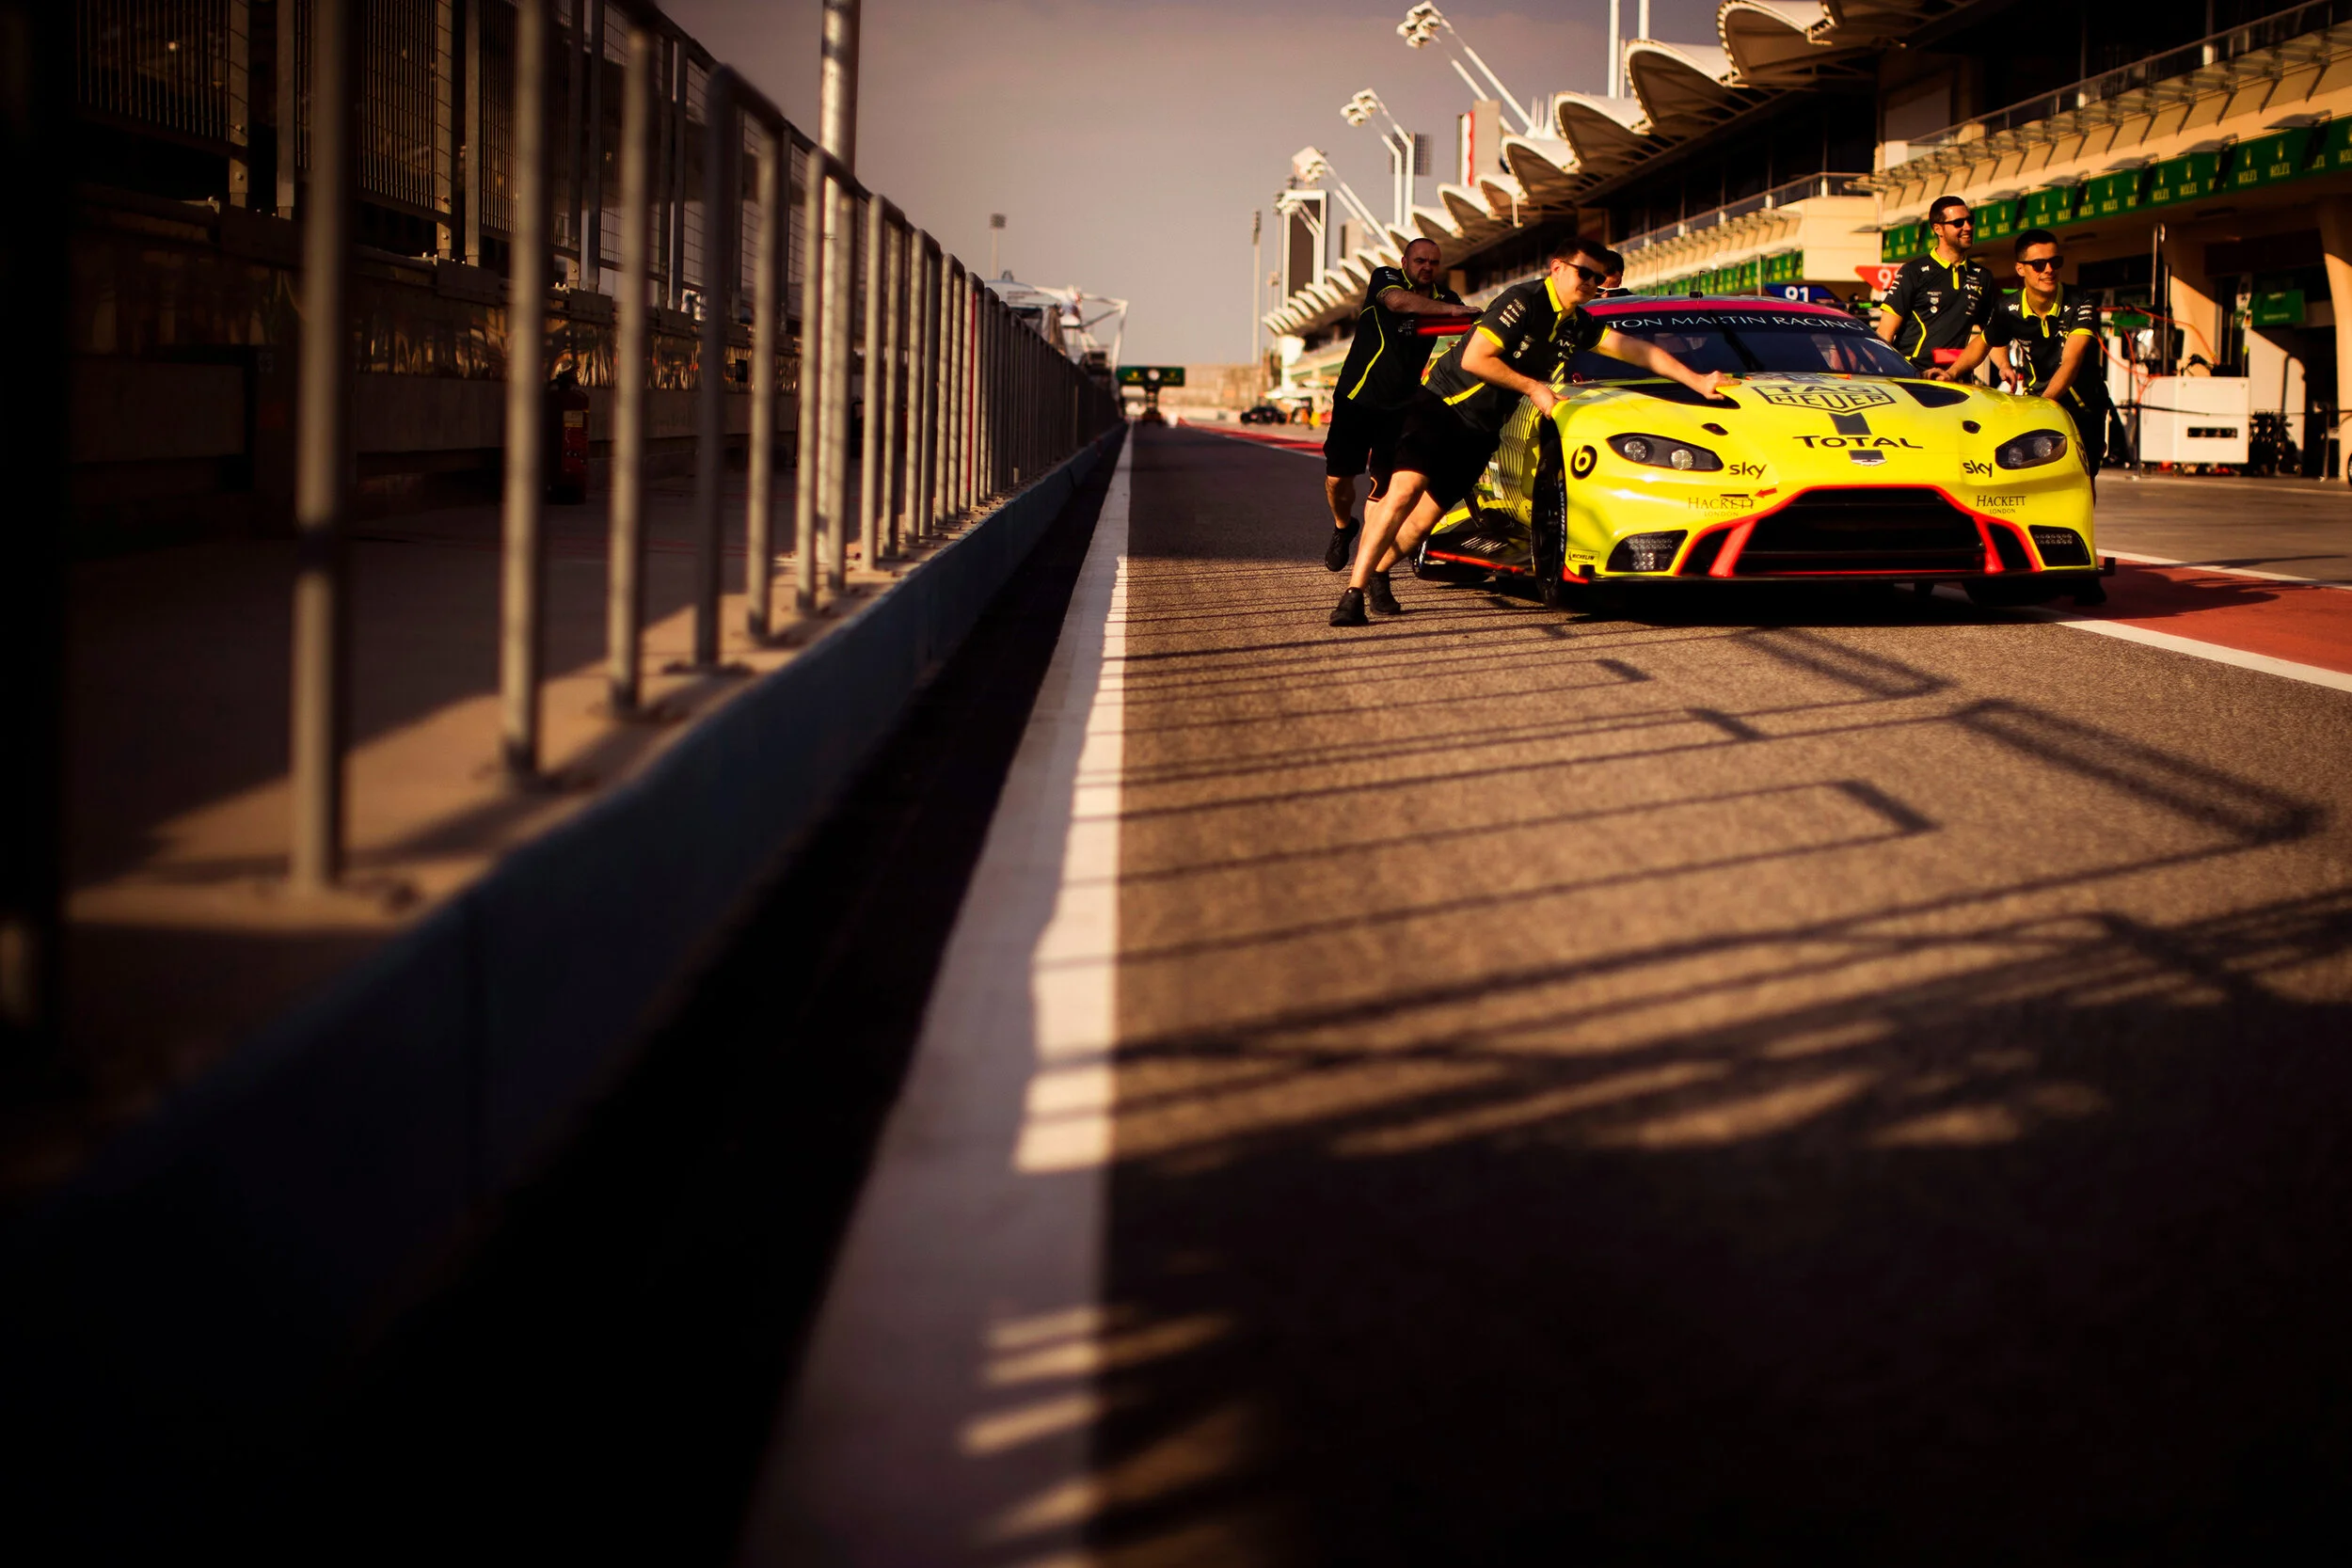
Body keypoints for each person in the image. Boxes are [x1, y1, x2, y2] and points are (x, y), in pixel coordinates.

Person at [1331, 232, 1730, 626]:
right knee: (1405, 492)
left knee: (1421, 524)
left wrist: (1697, 381)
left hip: (1481, 430)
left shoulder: (1576, 323)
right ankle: (1353, 594)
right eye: (1584, 273)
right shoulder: (1523, 300)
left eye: (1597, 277)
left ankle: (1377, 572)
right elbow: (1475, 359)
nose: (1592, 283)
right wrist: (1534, 388)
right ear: (1557, 268)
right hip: (1440, 407)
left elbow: (1637, 350)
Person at [1321, 238, 1472, 571]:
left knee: (1383, 489)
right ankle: (1344, 527)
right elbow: (1398, 302)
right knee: (1338, 479)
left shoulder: (1446, 298)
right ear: (1405, 262)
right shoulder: (1386, 278)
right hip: (1356, 398)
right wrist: (1450, 311)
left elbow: (1472, 328)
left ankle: (1369, 567)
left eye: (1434, 262)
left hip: (1400, 408)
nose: (1427, 267)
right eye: (1420, 260)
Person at [1938, 227, 2110, 479]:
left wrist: (2044, 403)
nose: (2048, 270)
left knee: (2081, 477)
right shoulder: (2008, 309)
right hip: (2037, 401)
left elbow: (2071, 362)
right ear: (2021, 269)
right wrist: (1951, 373)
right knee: (2033, 475)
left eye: (2055, 262)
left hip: (2085, 407)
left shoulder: (2080, 301)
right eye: (2038, 264)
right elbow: (1982, 343)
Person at [1876, 195, 1994, 374]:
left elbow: (1992, 333)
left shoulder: (1982, 276)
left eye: (1970, 220)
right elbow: (1886, 331)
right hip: (1913, 375)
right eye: (1958, 223)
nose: (1968, 227)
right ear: (1938, 229)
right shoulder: (1913, 271)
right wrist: (1886, 373)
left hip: (1955, 376)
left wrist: (2004, 367)